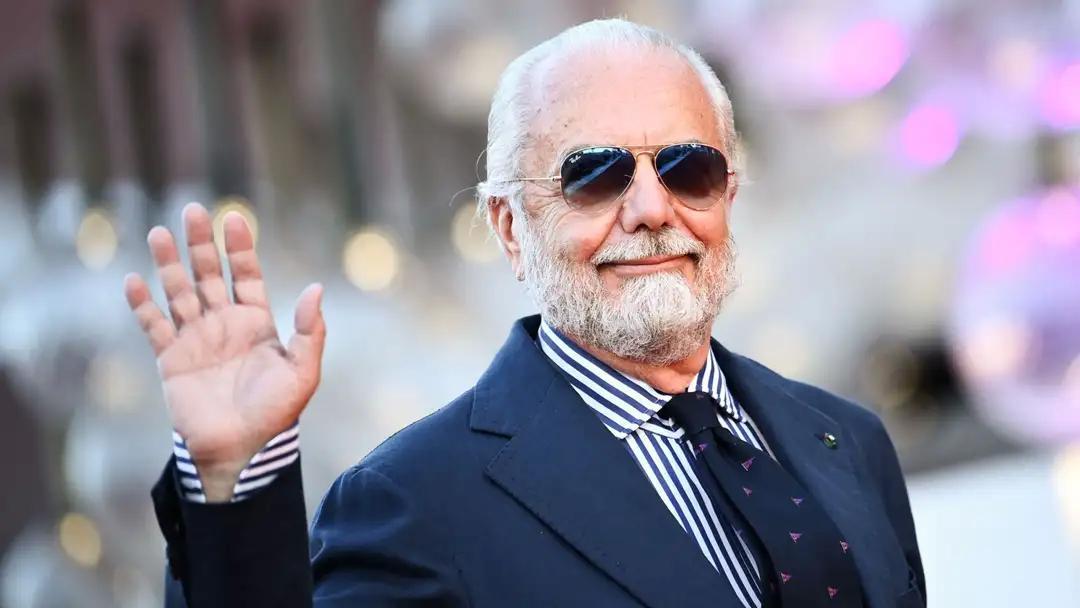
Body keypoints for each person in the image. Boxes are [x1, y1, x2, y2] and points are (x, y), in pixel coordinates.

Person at [126, 18, 925, 608]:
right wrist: (232, 481)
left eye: (689, 168)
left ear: (727, 195)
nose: (652, 208)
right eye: (595, 175)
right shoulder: (415, 501)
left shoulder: (846, 440)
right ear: (511, 227)